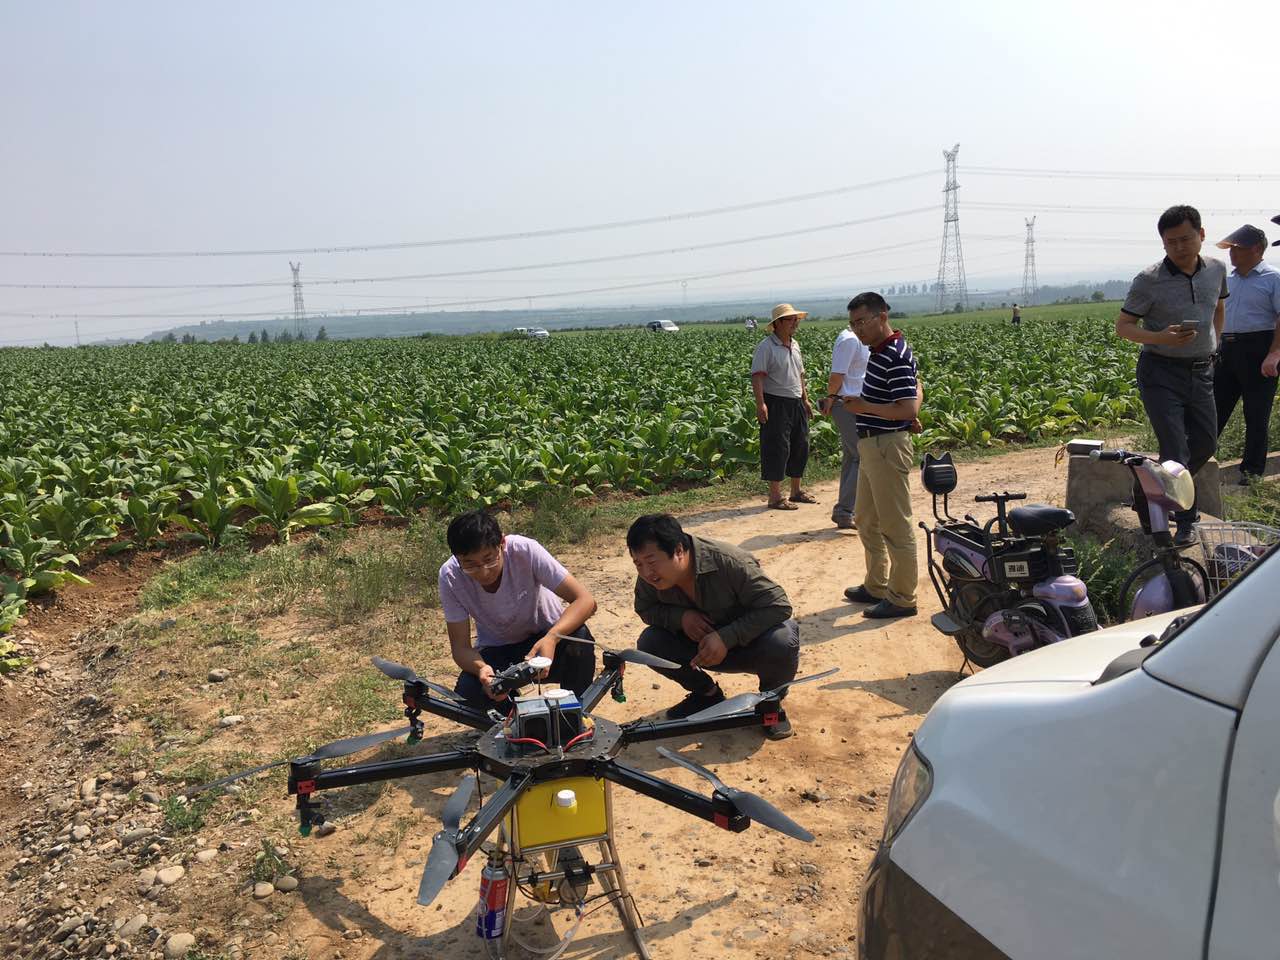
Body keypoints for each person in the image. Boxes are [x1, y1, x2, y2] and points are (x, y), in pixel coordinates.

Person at [628, 513, 800, 739]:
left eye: (651, 562)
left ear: (678, 550)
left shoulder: (729, 561)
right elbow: (645, 609)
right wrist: (681, 617)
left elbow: (779, 606)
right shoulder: (652, 577)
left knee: (782, 640)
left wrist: (727, 637)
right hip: (700, 652)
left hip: (749, 646)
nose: (646, 572)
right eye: (638, 564)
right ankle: (707, 695)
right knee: (649, 643)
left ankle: (770, 703)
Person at [1116, 205, 1228, 543]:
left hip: (1201, 371)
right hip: (1160, 372)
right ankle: (1185, 521)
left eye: (1185, 239)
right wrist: (1161, 337)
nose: (1179, 247)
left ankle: (1150, 487)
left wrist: (1214, 344)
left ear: (1201, 235)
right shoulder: (1149, 280)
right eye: (1170, 242)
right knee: (1175, 447)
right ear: (1163, 243)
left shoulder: (1217, 270)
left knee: (1206, 443)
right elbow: (1124, 327)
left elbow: (1219, 308)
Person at [440, 510, 597, 711]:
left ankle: (575, 713)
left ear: (502, 544)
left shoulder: (524, 550)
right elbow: (460, 648)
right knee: (469, 693)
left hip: (545, 641)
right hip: (498, 650)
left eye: (489, 559)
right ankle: (516, 722)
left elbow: (585, 600)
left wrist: (552, 637)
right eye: (470, 565)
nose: (483, 571)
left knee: (580, 640)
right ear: (456, 558)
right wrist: (482, 669)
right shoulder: (450, 576)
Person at [840, 293, 922, 619]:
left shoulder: (895, 353)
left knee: (895, 525)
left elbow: (909, 404)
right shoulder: (882, 351)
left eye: (862, 321)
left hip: (886, 445)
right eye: (853, 324)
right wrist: (903, 414)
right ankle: (877, 584)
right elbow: (917, 388)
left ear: (882, 315)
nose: (858, 329)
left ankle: (903, 598)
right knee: (866, 518)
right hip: (873, 445)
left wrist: (864, 407)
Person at [1213, 223, 1280, 484]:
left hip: (1259, 349)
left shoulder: (1273, 279)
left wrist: (1274, 354)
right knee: (1213, 410)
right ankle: (1197, 463)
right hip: (1227, 348)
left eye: (1237, 249)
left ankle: (1251, 473)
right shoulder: (1227, 280)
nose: (1231, 253)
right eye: (1230, 249)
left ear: (1256, 249)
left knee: (1256, 413)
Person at [751, 303, 815, 510]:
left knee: (800, 444)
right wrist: (761, 404)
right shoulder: (766, 347)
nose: (795, 323)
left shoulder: (795, 345)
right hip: (776, 401)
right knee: (777, 447)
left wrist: (805, 399)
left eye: (796, 319)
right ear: (777, 323)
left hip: (796, 401)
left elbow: (800, 375)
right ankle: (775, 496)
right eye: (790, 319)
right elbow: (758, 376)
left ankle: (796, 491)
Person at [820, 310, 871, 530]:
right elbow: (836, 376)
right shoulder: (849, 340)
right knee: (861, 457)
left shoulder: (857, 339)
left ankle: (845, 511)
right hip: (847, 404)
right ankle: (845, 510)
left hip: (852, 403)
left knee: (852, 457)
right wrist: (831, 397)